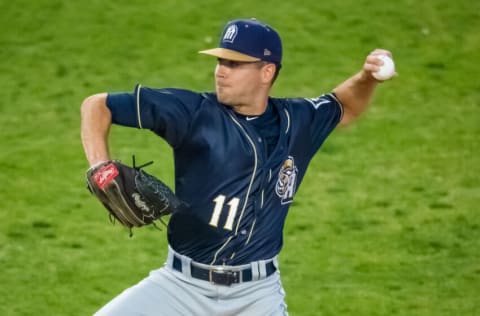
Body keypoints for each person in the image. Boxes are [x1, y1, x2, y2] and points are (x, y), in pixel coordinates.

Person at [81, 18, 393, 316]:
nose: (221, 72)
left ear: (266, 72)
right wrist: (100, 168)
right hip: (180, 288)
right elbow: (97, 105)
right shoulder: (192, 113)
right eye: (220, 61)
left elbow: (344, 106)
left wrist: (367, 77)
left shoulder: (298, 122)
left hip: (257, 296)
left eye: (234, 63)